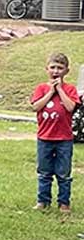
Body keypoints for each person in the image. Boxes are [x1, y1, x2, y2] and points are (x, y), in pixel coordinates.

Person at [30, 53, 79, 213]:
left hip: (64, 139)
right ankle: (43, 201)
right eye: (53, 67)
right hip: (45, 138)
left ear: (66, 71)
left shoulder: (70, 89)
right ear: (47, 69)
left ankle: (64, 203)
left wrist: (59, 89)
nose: (56, 71)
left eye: (60, 68)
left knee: (64, 173)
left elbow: (70, 107)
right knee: (44, 172)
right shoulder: (41, 88)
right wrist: (51, 92)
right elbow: (36, 106)